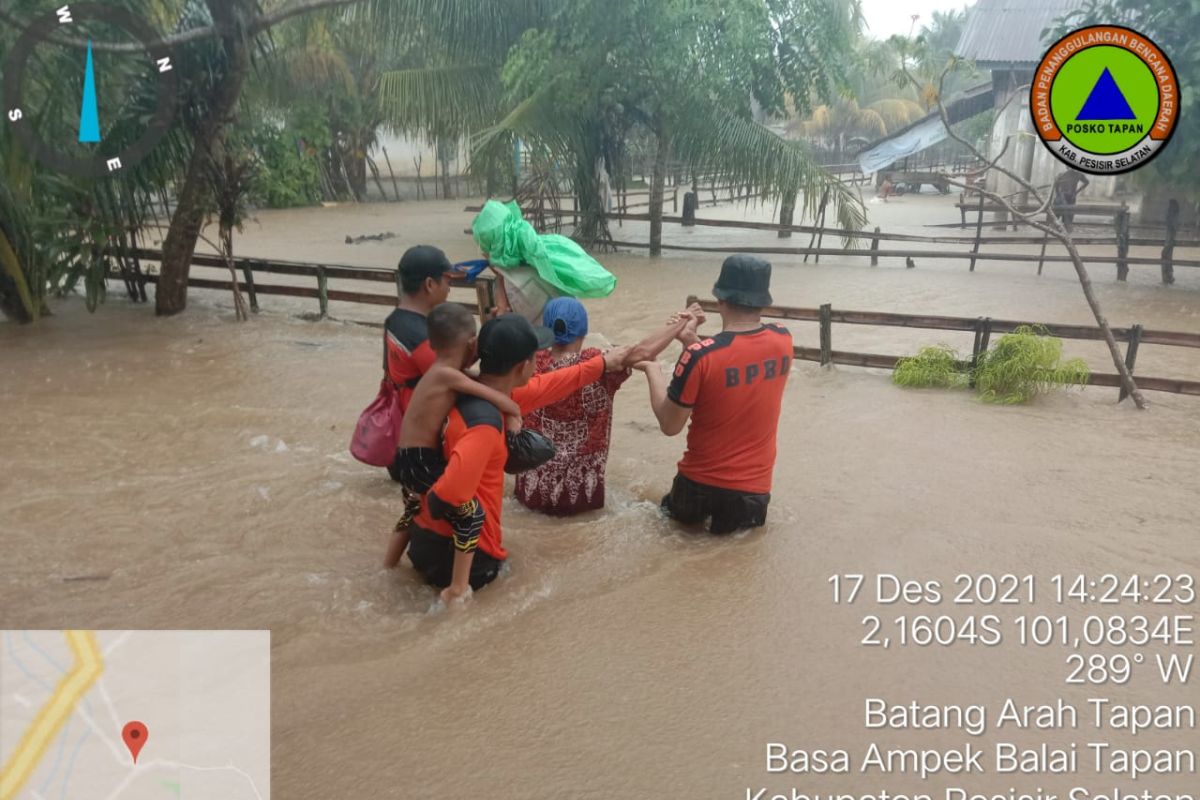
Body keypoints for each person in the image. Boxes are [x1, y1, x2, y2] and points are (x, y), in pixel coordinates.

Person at [405, 314, 630, 602]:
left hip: (424, 540)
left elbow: (555, 383)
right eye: (537, 357)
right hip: (466, 560)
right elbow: (450, 494)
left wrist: (602, 364)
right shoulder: (485, 423)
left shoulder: (465, 393)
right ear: (524, 365)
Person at [634, 255, 793, 535]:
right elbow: (732, 366)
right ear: (763, 301)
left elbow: (670, 425)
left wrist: (653, 369)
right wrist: (692, 342)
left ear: (719, 299)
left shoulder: (701, 356)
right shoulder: (784, 339)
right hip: (752, 494)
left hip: (697, 489)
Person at [515, 298, 688, 516]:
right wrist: (681, 321)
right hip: (582, 497)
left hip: (531, 492)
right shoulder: (597, 363)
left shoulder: (530, 364)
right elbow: (644, 351)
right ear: (583, 331)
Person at [382, 304, 524, 568]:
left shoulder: (438, 372)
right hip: (421, 460)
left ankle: (389, 565)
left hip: (407, 459)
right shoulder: (448, 375)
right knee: (470, 517)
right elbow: (485, 391)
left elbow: (472, 379)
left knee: (412, 510)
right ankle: (458, 589)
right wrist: (513, 410)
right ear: (472, 344)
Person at [382, 245, 456, 482]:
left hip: (399, 437)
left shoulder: (395, 321)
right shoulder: (419, 336)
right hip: (420, 446)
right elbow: (451, 379)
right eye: (447, 282)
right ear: (430, 285)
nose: (449, 289)